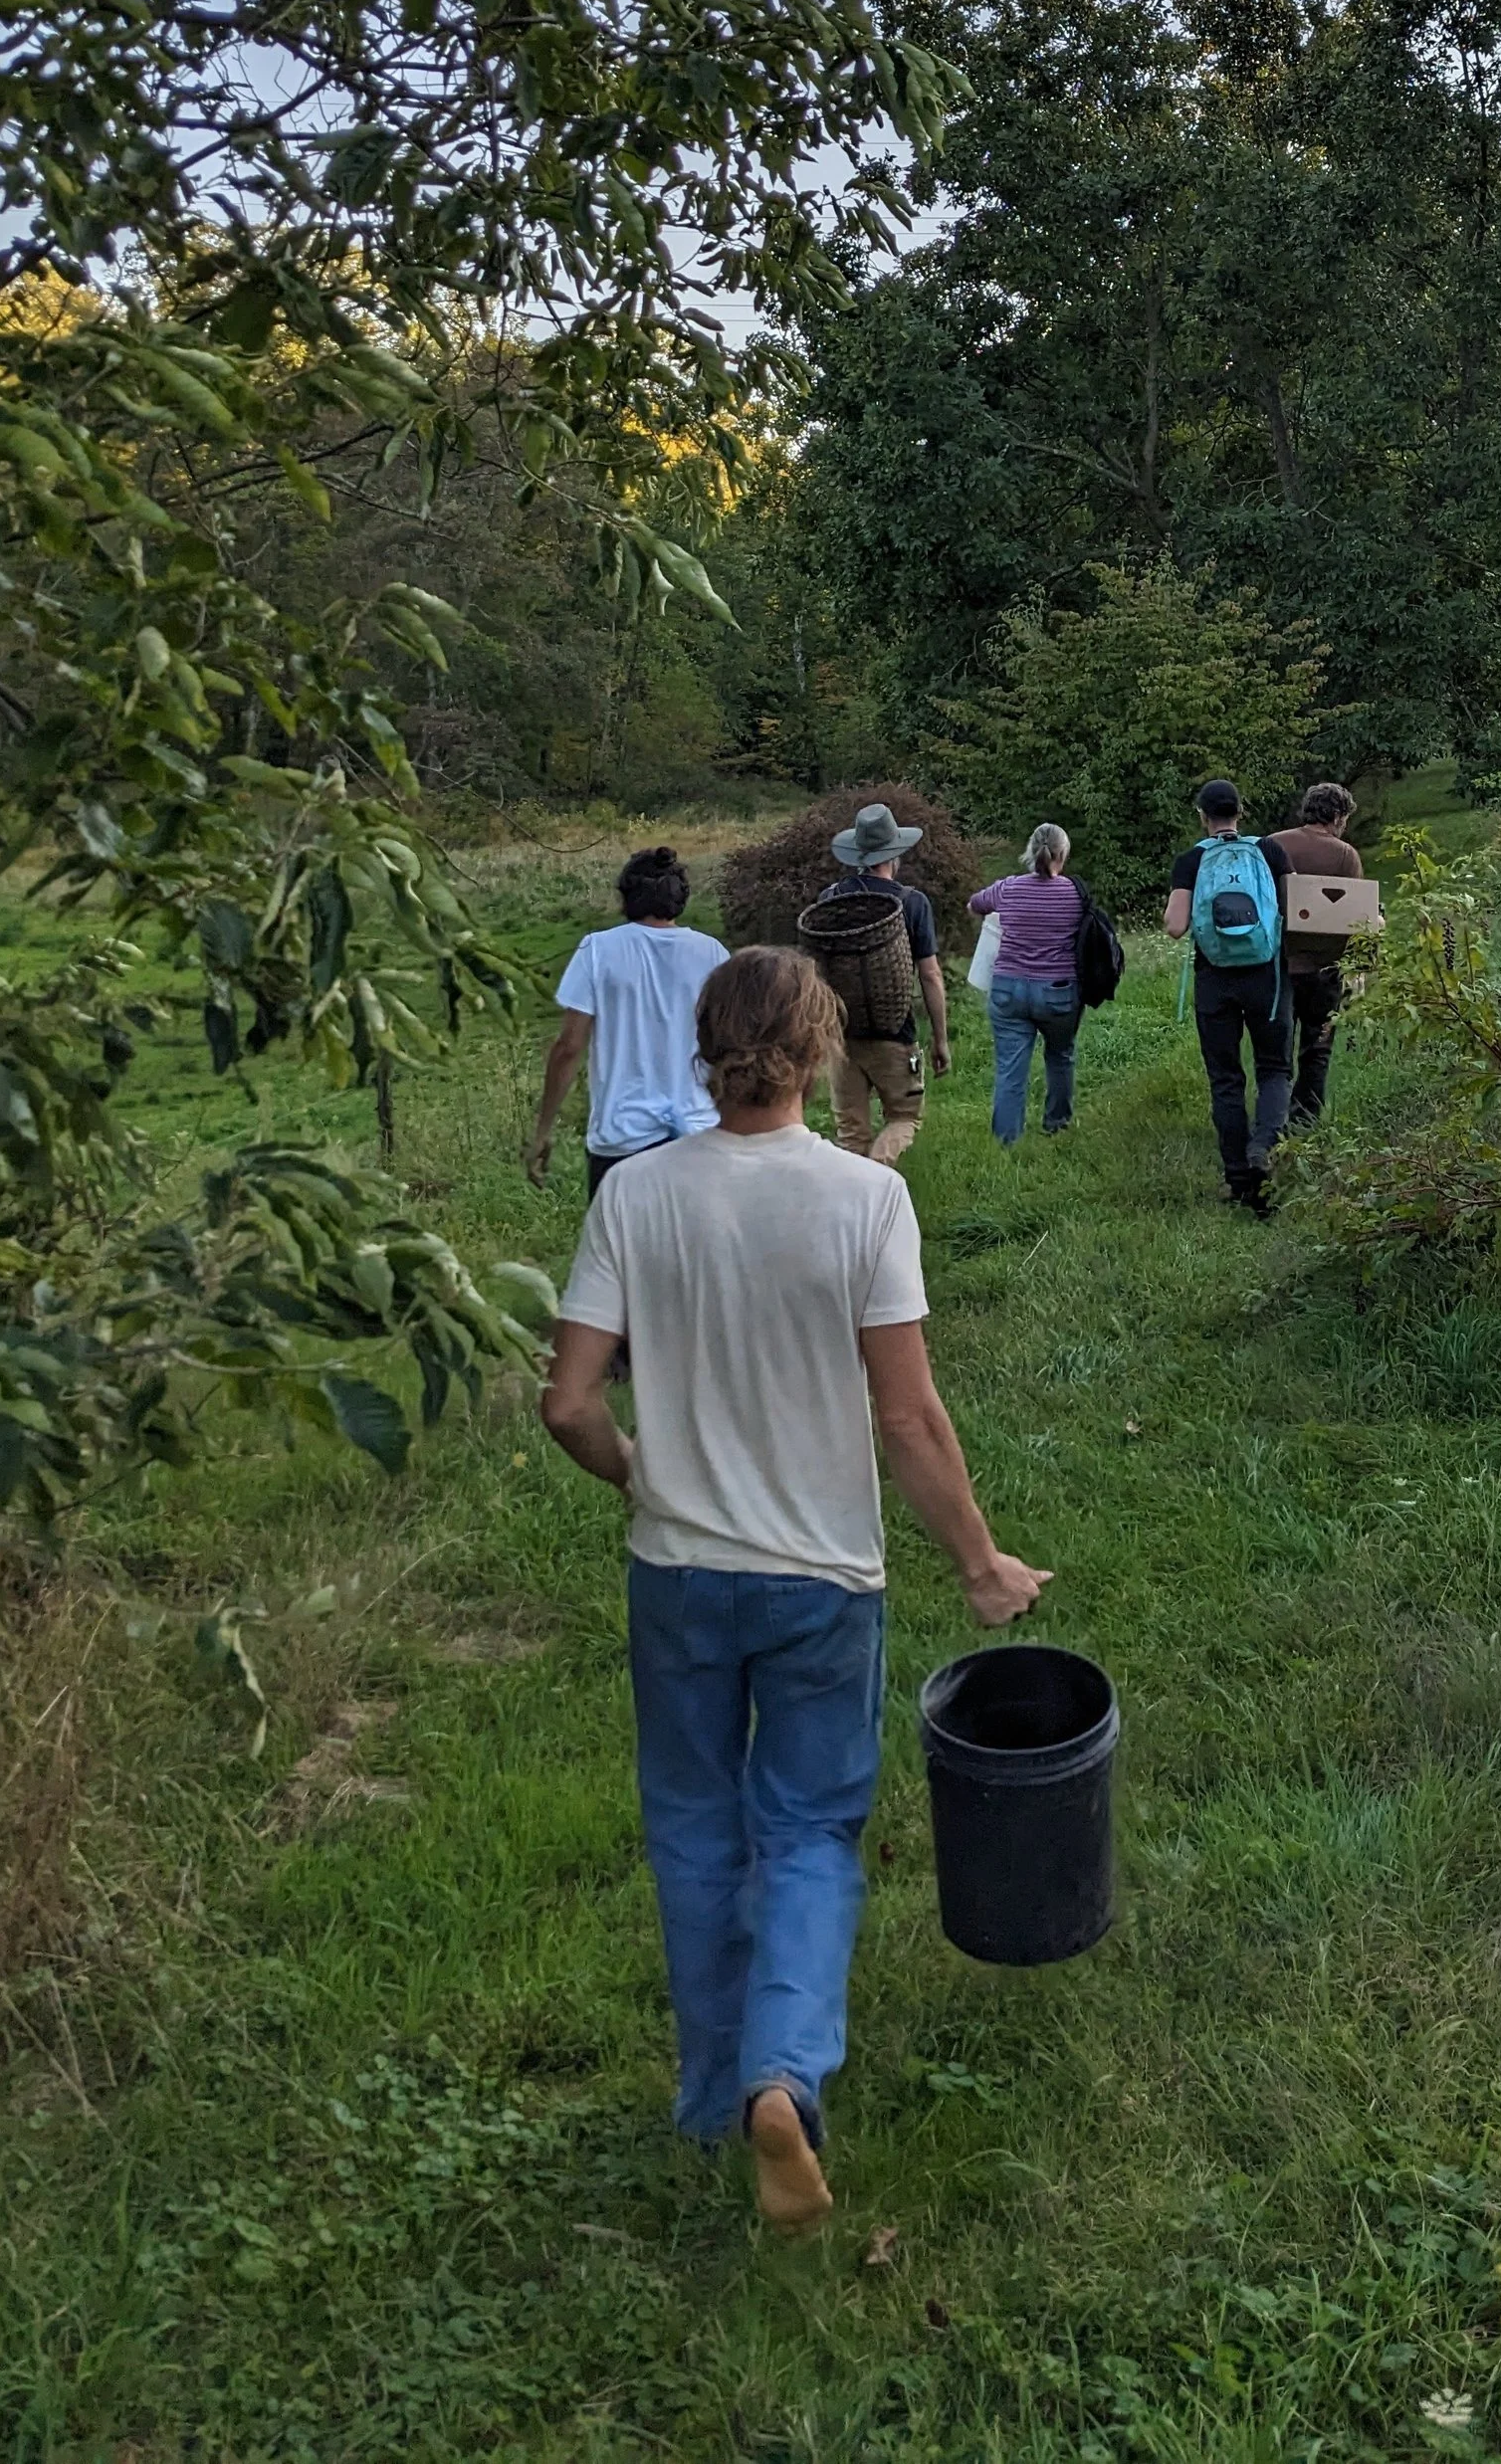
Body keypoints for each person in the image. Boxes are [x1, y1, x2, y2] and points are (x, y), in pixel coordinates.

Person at [541, 946, 1049, 2234]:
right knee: (811, 1831)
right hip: (824, 1579)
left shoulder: (635, 1198)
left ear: (702, 1054)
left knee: (696, 1833)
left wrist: (640, 1472)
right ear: (819, 1053)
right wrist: (980, 1561)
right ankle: (784, 2076)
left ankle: (715, 2099)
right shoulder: (865, 1201)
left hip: (678, 1574)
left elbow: (567, 1401)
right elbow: (911, 1417)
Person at [528, 845, 730, 1198]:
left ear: (626, 896)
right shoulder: (712, 952)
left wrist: (543, 1130)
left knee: (619, 1251)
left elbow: (569, 1047)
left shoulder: (597, 949)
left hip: (622, 1139)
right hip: (698, 1133)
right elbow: (728, 1046)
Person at [1165, 776, 1292, 1215]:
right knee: (1274, 1069)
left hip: (1214, 978)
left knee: (1226, 1080)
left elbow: (1175, 925)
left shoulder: (1191, 860)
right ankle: (1265, 1148)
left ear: (1203, 816)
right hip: (1266, 978)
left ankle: (1238, 1180)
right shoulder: (1269, 850)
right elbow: (1295, 910)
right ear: (1241, 811)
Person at [817, 801, 950, 1169]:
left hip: (841, 1035)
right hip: (894, 1035)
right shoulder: (912, 903)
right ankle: (879, 1175)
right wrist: (940, 1039)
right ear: (895, 854)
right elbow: (930, 975)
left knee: (851, 1133)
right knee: (904, 1117)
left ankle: (852, 1208)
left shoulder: (829, 900)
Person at [966, 822, 1087, 1144]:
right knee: (1060, 1056)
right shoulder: (1075, 893)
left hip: (1008, 989)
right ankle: (1056, 1125)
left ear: (1030, 852)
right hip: (1058, 992)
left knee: (1010, 1068)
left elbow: (974, 904)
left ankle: (1007, 1140)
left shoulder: (1009, 888)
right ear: (1063, 854)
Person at [1268, 780, 1374, 1129]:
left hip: (1276, 964)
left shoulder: (1273, 844)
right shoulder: (1344, 854)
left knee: (1276, 1053)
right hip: (1323, 969)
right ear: (1338, 815)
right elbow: (1356, 917)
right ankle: (1305, 1124)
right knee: (1316, 1049)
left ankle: (1271, 1122)